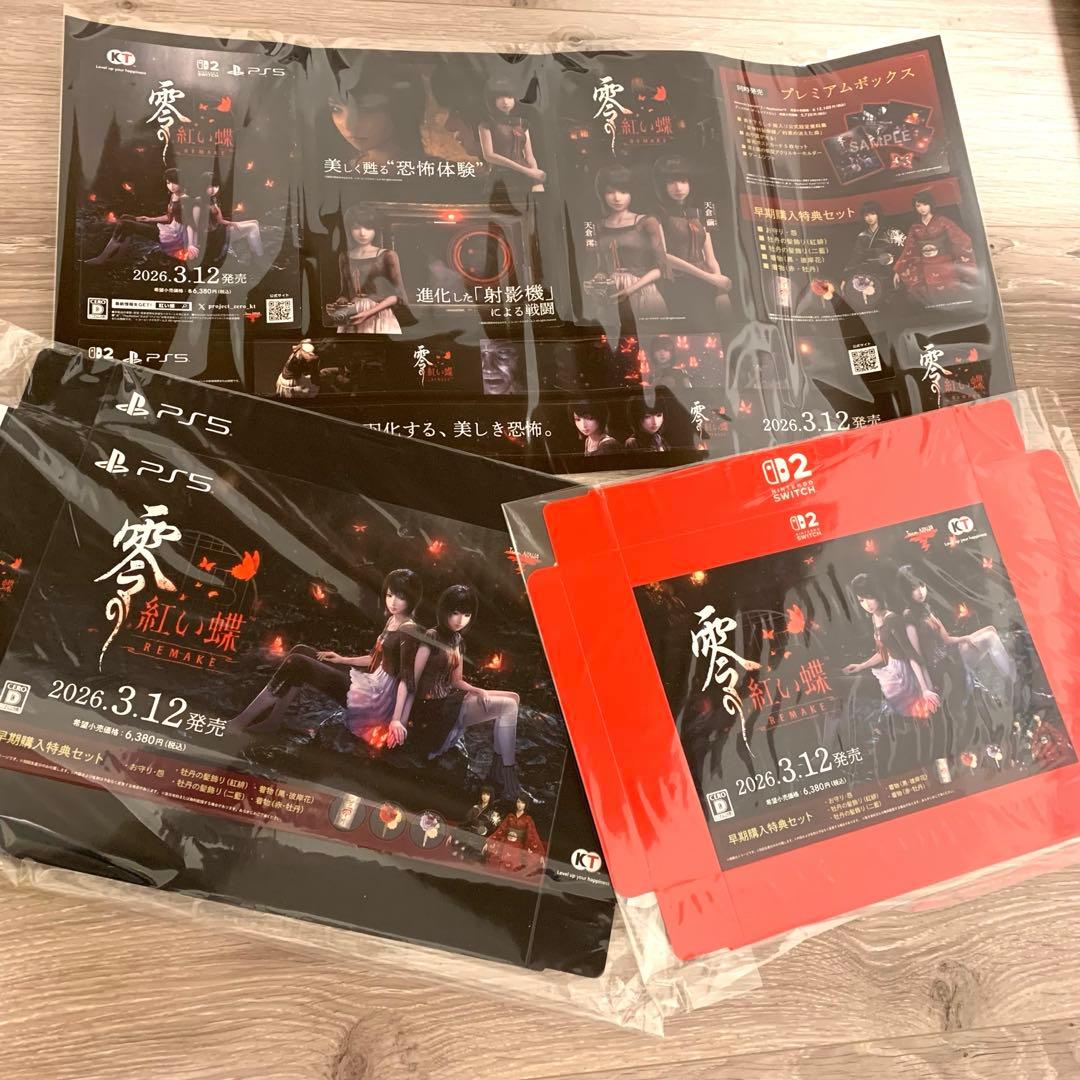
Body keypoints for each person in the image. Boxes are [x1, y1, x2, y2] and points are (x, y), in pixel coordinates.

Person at [230, 569, 422, 745]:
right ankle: (274, 720)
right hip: (370, 680)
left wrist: (397, 719)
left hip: (375, 700)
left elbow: (407, 678)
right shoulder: (393, 620)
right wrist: (341, 659)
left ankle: (239, 722)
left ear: (412, 600)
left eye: (401, 597)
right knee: (301, 651)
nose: (393, 602)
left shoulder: (409, 631)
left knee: (297, 663)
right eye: (389, 595)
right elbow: (374, 658)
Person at [389, 584, 524, 799]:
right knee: (508, 706)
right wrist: (398, 720)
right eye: (455, 613)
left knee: (514, 698)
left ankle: (499, 770)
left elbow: (457, 680)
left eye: (466, 614)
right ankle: (506, 774)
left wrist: (478, 690)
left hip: (448, 699)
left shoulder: (457, 640)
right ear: (444, 611)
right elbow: (410, 681)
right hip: (430, 709)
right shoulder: (431, 637)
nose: (461, 620)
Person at [843, 573, 941, 719]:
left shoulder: (892, 619)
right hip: (892, 666)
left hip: (905, 674)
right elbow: (886, 651)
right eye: (862, 600)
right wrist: (861, 666)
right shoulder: (875, 617)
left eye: (870, 597)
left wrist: (925, 688)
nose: (867, 604)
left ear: (877, 594)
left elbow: (911, 654)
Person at [653, 156, 731, 324]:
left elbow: (711, 258)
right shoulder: (657, 214)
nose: (678, 187)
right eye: (670, 182)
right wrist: (710, 278)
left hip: (706, 284)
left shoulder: (698, 212)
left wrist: (721, 291)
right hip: (677, 285)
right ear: (662, 185)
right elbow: (664, 257)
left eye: (683, 181)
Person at [587, 165, 669, 322]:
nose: (617, 198)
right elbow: (601, 266)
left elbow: (660, 268)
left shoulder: (646, 222)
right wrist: (598, 280)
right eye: (610, 192)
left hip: (642, 292)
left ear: (632, 193)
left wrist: (629, 291)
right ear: (602, 194)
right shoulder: (598, 225)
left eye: (623, 192)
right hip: (611, 296)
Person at [84, 168, 197, 266]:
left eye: (175, 183)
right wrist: (149, 219)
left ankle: (102, 258)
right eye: (168, 183)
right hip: (169, 230)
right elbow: (169, 217)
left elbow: (190, 224)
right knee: (125, 217)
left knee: (125, 224)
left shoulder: (185, 199)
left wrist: (191, 245)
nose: (171, 186)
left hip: (175, 237)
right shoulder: (174, 195)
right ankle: (118, 256)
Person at [327, 207, 406, 334]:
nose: (362, 233)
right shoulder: (344, 257)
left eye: (368, 227)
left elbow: (397, 296)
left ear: (375, 229)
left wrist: (368, 313)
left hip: (379, 316)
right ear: (349, 229)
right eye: (356, 227)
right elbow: (345, 292)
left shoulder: (387, 255)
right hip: (352, 316)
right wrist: (340, 303)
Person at [894, 191, 976, 304]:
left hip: (945, 263)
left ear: (931, 204)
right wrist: (899, 270)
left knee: (952, 294)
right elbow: (909, 249)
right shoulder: (915, 227)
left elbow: (961, 239)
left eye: (925, 204)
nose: (922, 208)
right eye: (918, 205)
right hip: (927, 266)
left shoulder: (943, 221)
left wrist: (958, 258)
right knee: (932, 297)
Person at [477, 77, 546, 209]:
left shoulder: (522, 123)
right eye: (499, 97)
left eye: (509, 96)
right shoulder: (486, 124)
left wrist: (536, 180)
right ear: (492, 100)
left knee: (529, 212)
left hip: (524, 178)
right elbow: (489, 156)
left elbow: (529, 156)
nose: (505, 101)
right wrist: (528, 172)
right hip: (500, 178)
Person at [840, 201, 904, 308]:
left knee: (894, 301)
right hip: (870, 273)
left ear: (878, 214)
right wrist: (845, 278)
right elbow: (856, 257)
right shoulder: (862, 236)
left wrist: (899, 271)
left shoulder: (891, 233)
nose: (869, 218)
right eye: (866, 215)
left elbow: (903, 253)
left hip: (890, 270)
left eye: (873, 214)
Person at [197, 171, 263, 259]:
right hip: (213, 236)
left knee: (255, 222)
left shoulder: (213, 199)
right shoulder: (199, 202)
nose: (213, 189)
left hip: (219, 229)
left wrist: (233, 223)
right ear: (203, 187)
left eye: (215, 186)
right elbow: (196, 225)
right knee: (253, 227)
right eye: (210, 186)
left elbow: (220, 220)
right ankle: (259, 256)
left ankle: (254, 251)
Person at [482, 795, 545, 875]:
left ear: (526, 805)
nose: (520, 804)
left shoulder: (528, 819)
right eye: (518, 802)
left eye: (522, 803)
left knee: (513, 866)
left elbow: (532, 835)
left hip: (518, 845)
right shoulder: (510, 816)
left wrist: (540, 854)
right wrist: (489, 842)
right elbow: (501, 830)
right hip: (506, 843)